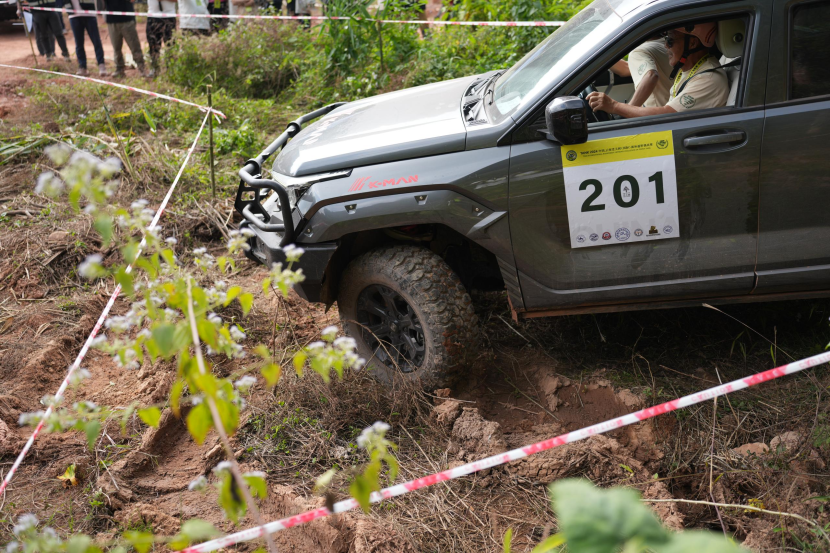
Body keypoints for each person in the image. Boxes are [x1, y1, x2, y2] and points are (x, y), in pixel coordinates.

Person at [587, 24, 728, 119]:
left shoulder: (707, 78)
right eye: (665, 39)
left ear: (692, 43)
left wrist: (615, 106)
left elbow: (667, 114)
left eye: (670, 41)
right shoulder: (691, 69)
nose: (665, 45)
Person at [610, 36, 673, 108]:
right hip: (672, 110)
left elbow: (651, 75)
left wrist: (628, 110)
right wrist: (604, 57)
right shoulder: (663, 44)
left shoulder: (639, 52)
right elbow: (627, 68)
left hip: (655, 114)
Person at [104, 0, 150, 77]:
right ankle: (119, 69)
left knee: (134, 46)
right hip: (112, 20)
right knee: (116, 48)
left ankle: (141, 68)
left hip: (127, 19)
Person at [68, 0, 107, 76]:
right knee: (79, 43)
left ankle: (101, 65)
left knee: (96, 41)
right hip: (74, 15)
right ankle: (82, 67)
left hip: (89, 14)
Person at [146, 0, 176, 72]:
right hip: (153, 16)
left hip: (169, 16)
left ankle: (170, 68)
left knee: (170, 44)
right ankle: (154, 68)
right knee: (153, 44)